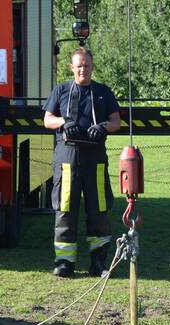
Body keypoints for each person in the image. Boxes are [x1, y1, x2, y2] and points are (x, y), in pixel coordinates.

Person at [43, 47, 122, 278]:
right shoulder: (61, 90)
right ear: (71, 67)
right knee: (65, 209)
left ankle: (98, 262)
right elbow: (47, 120)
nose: (82, 70)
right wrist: (63, 123)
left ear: (92, 67)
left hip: (95, 159)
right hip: (67, 158)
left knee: (98, 210)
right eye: (78, 65)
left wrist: (103, 127)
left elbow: (116, 121)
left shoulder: (103, 92)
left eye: (86, 65)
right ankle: (64, 262)